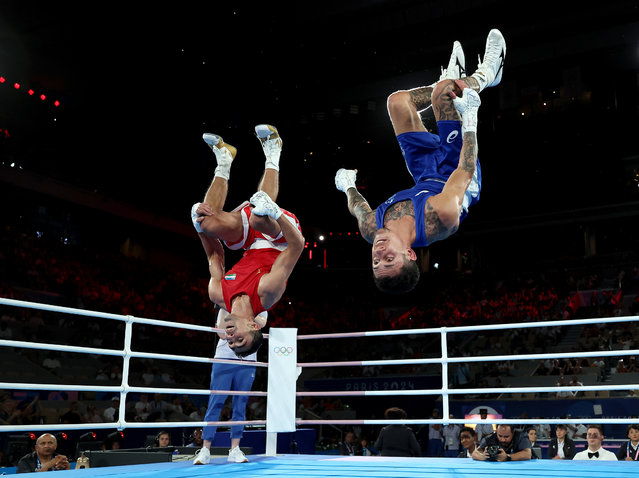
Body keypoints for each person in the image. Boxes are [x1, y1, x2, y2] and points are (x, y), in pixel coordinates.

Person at [334, 29, 506, 293]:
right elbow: (466, 168)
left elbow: (357, 208)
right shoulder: (442, 217)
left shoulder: (371, 229)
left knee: (397, 103)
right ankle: (487, 76)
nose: (379, 253)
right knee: (445, 94)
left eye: (376, 262)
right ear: (410, 254)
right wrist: (470, 117)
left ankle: (447, 80)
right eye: (389, 258)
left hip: (424, 172)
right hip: (455, 170)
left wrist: (348, 186)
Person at [192, 124, 304, 355]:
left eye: (231, 343)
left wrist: (198, 226)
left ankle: (224, 158)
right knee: (258, 218)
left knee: (207, 221)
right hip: (281, 237)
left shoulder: (217, 294)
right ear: (254, 326)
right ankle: (274, 150)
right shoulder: (267, 292)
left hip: (251, 244)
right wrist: (277, 214)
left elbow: (214, 254)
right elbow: (297, 245)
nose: (231, 338)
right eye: (239, 341)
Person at [193, 308, 264, 465]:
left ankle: (235, 449)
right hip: (224, 358)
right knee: (216, 402)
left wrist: (236, 325)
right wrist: (245, 325)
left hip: (248, 360)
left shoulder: (259, 304)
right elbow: (222, 333)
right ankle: (205, 449)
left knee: (240, 404)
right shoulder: (225, 305)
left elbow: (260, 324)